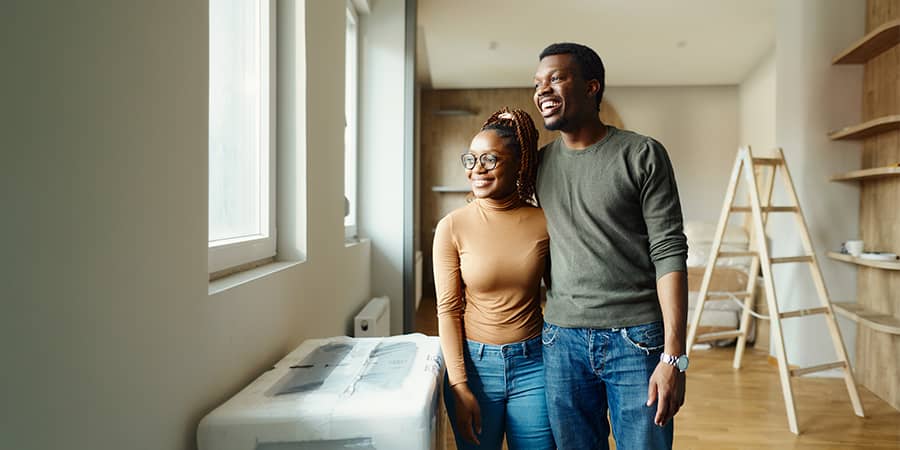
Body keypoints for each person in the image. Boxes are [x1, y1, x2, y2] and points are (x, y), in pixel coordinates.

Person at [533, 42, 689, 450]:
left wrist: (674, 357)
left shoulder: (642, 154)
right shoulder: (538, 166)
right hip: (561, 340)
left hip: (636, 340)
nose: (542, 90)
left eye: (556, 78)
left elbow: (669, 250)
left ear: (592, 87)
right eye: (537, 83)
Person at [433, 107, 554, 450]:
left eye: (489, 159)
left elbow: (562, 294)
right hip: (474, 367)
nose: (477, 170)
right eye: (471, 160)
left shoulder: (543, 221)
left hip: (535, 365)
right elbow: (448, 310)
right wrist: (459, 384)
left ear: (519, 164)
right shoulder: (452, 226)